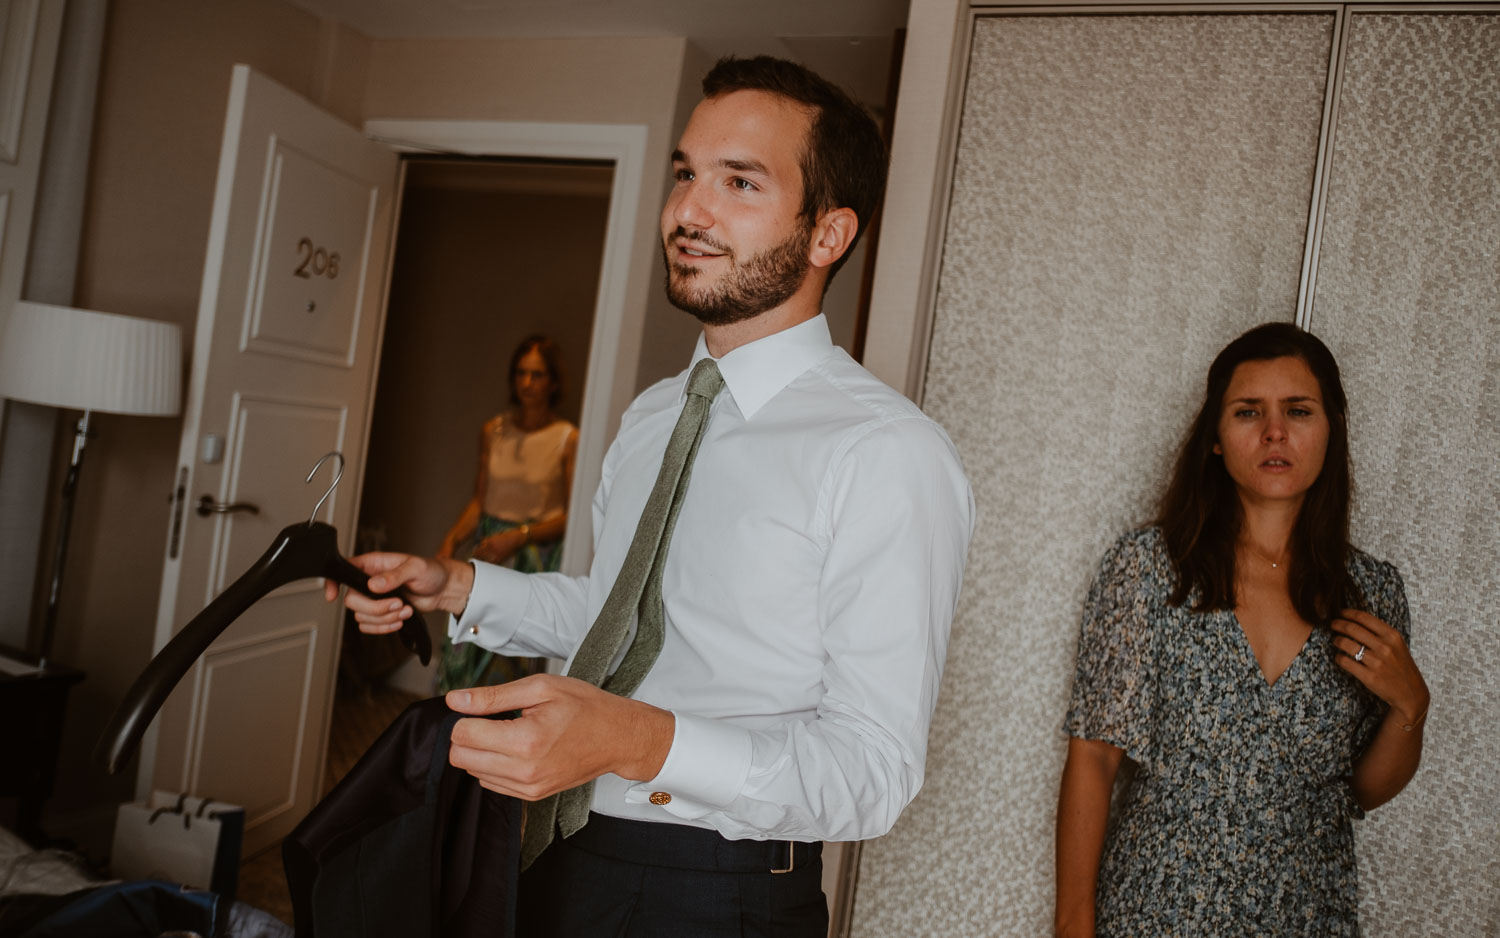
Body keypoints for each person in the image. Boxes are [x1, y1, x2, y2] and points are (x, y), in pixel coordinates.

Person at [330, 56, 974, 936]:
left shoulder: (888, 454)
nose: (686, 212)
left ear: (828, 234)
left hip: (716, 890)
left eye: (738, 182)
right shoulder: (653, 414)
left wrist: (639, 742)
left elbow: (873, 773)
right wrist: (455, 587)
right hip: (557, 847)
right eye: (684, 174)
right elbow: (616, 616)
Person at [1054, 323, 1430, 937]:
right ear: (1217, 440)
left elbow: (1362, 790)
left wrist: (1411, 705)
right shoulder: (1151, 569)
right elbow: (1094, 756)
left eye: (1299, 411)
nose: (1275, 432)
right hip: (1156, 909)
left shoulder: (1372, 593)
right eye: (1249, 411)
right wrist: (1072, 926)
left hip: (1307, 914)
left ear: (1330, 431)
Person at [434, 335, 578, 691]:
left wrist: (518, 537)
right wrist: (451, 541)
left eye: (538, 375)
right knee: (466, 644)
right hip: (488, 548)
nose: (527, 383)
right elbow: (479, 502)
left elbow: (571, 516)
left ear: (553, 382)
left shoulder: (567, 438)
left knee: (512, 658)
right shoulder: (494, 431)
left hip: (533, 555)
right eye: (521, 373)